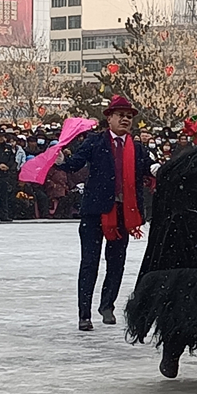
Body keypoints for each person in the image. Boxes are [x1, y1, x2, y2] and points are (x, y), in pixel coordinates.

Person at [55, 95, 158, 331]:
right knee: (89, 262)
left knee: (117, 262)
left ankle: (107, 304)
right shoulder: (95, 142)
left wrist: (157, 169)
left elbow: (148, 167)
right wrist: (62, 160)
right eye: (120, 115)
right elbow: (75, 163)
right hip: (95, 212)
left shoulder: (137, 147)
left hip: (124, 213)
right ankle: (84, 313)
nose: (125, 119)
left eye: (129, 116)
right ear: (109, 118)